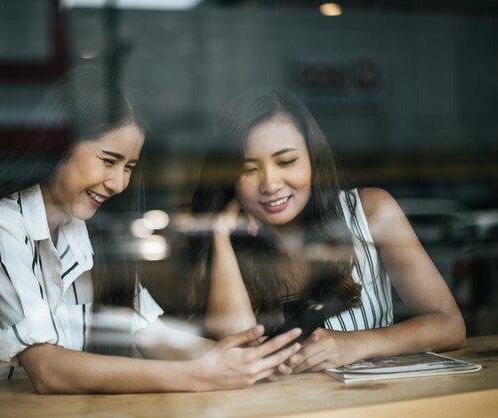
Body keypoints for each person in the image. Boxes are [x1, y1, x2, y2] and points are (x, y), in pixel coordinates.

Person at [0, 73, 302, 393]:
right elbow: (47, 370)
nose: (119, 183)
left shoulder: (88, 230)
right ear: (60, 145)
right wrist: (199, 374)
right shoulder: (2, 225)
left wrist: (250, 359)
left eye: (130, 167)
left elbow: (151, 334)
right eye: (109, 160)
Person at [188, 86, 466, 373]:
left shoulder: (371, 211)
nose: (270, 184)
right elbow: (239, 357)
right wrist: (221, 236)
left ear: (312, 159)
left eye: (286, 161)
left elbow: (449, 325)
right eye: (248, 169)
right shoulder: (226, 239)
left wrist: (356, 344)